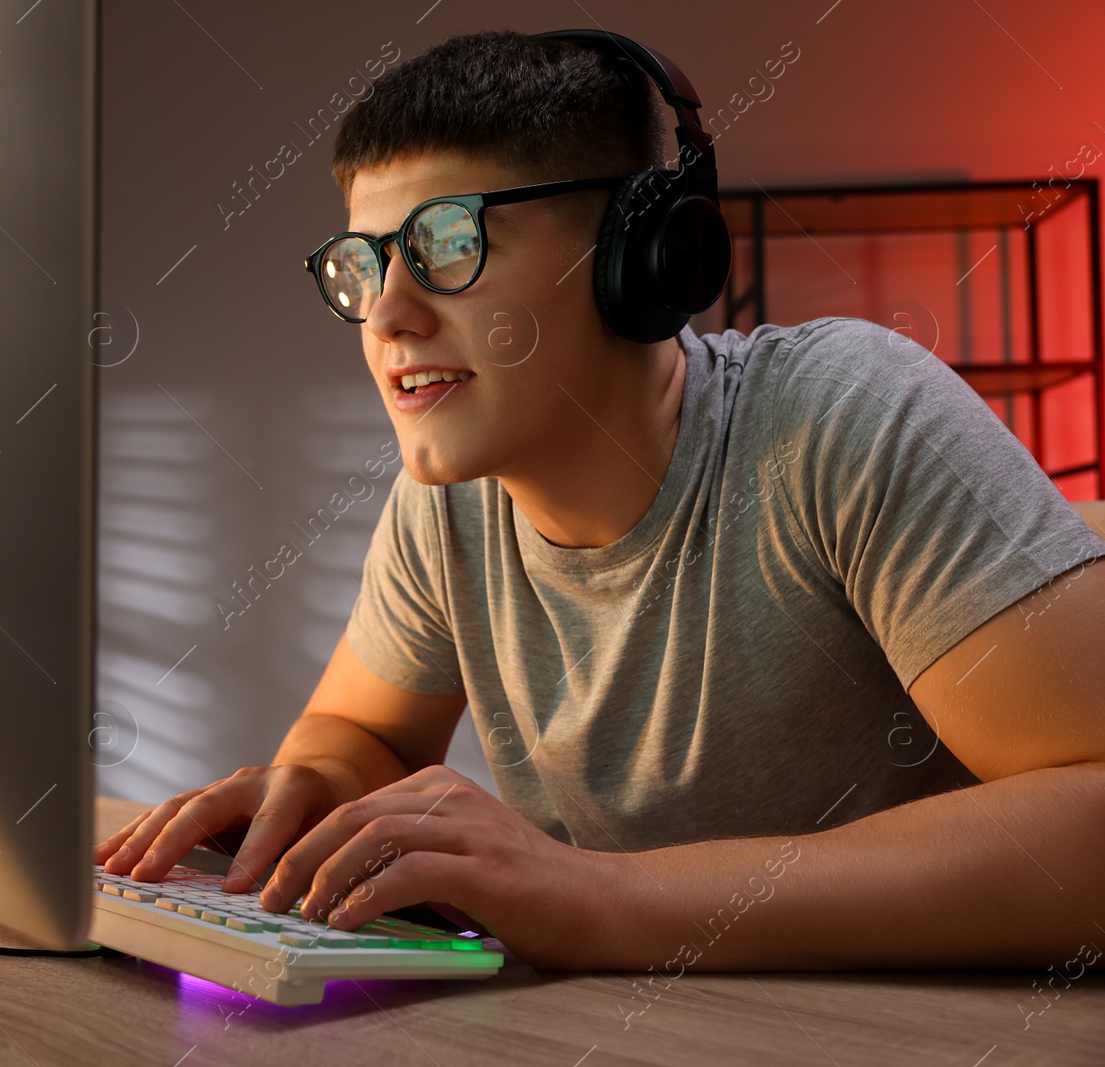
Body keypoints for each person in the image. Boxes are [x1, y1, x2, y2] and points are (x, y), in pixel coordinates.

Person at [95, 29, 1105, 972]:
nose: (389, 315)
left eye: (449, 243)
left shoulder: (843, 417)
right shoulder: (447, 506)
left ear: (640, 254)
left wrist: (598, 899)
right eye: (363, 265)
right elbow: (366, 736)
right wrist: (311, 780)